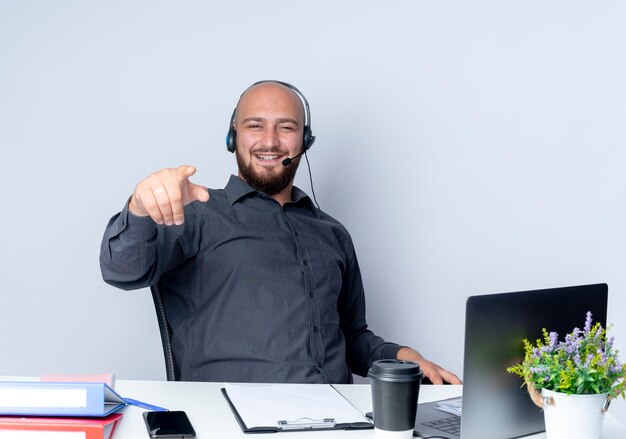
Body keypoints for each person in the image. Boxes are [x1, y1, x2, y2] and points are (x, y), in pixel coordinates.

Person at [100, 80, 461, 385]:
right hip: (230, 420)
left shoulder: (333, 233)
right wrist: (140, 208)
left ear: (305, 141)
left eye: (286, 127)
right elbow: (123, 270)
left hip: (340, 418)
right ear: (233, 136)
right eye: (255, 125)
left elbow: (353, 339)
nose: (270, 141)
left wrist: (402, 355)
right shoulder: (195, 213)